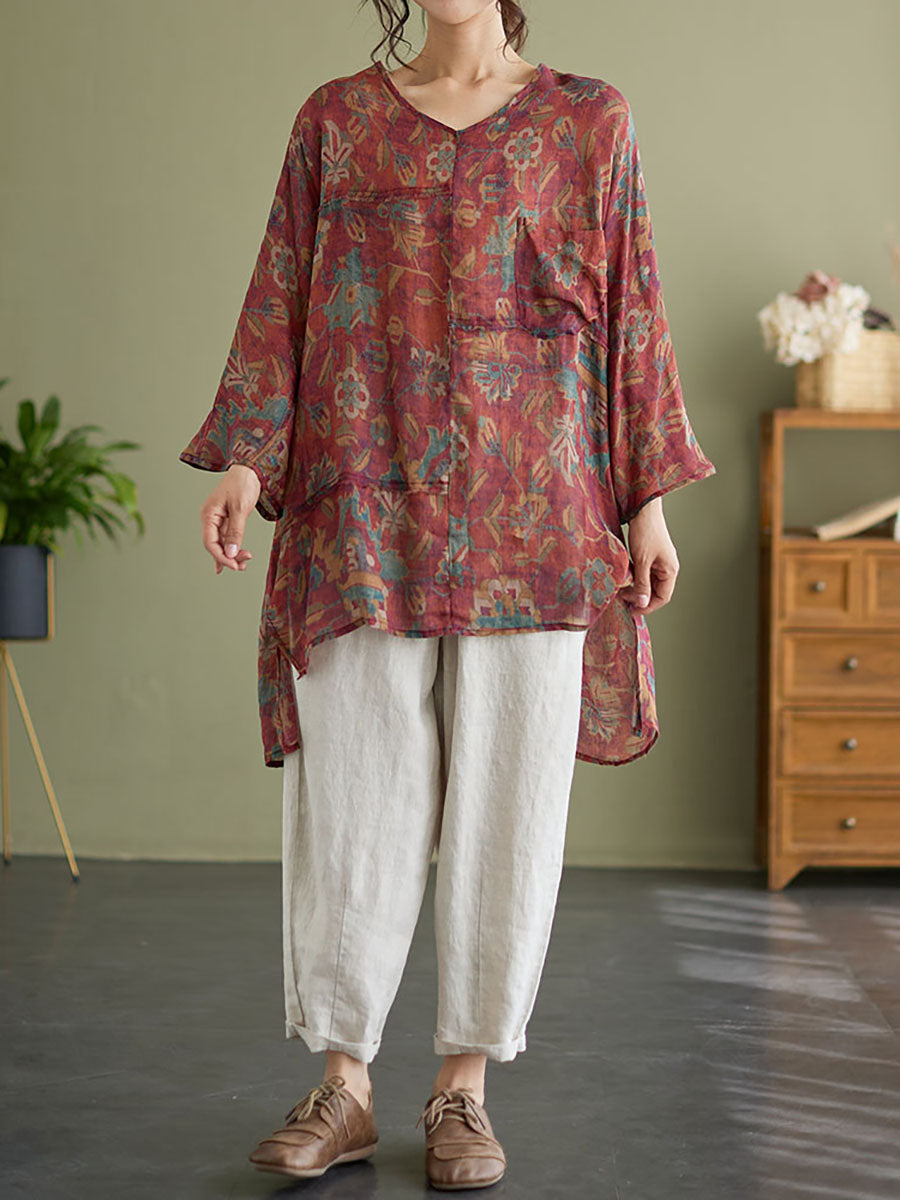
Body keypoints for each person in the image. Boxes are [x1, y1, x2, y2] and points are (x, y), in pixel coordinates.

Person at [178, 0, 716, 1189]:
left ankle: (463, 1089)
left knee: (508, 810)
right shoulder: (338, 124)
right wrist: (246, 460)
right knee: (353, 798)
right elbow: (284, 298)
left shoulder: (589, 122)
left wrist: (647, 502)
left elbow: (631, 310)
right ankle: (345, 1086)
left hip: (540, 519)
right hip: (363, 511)